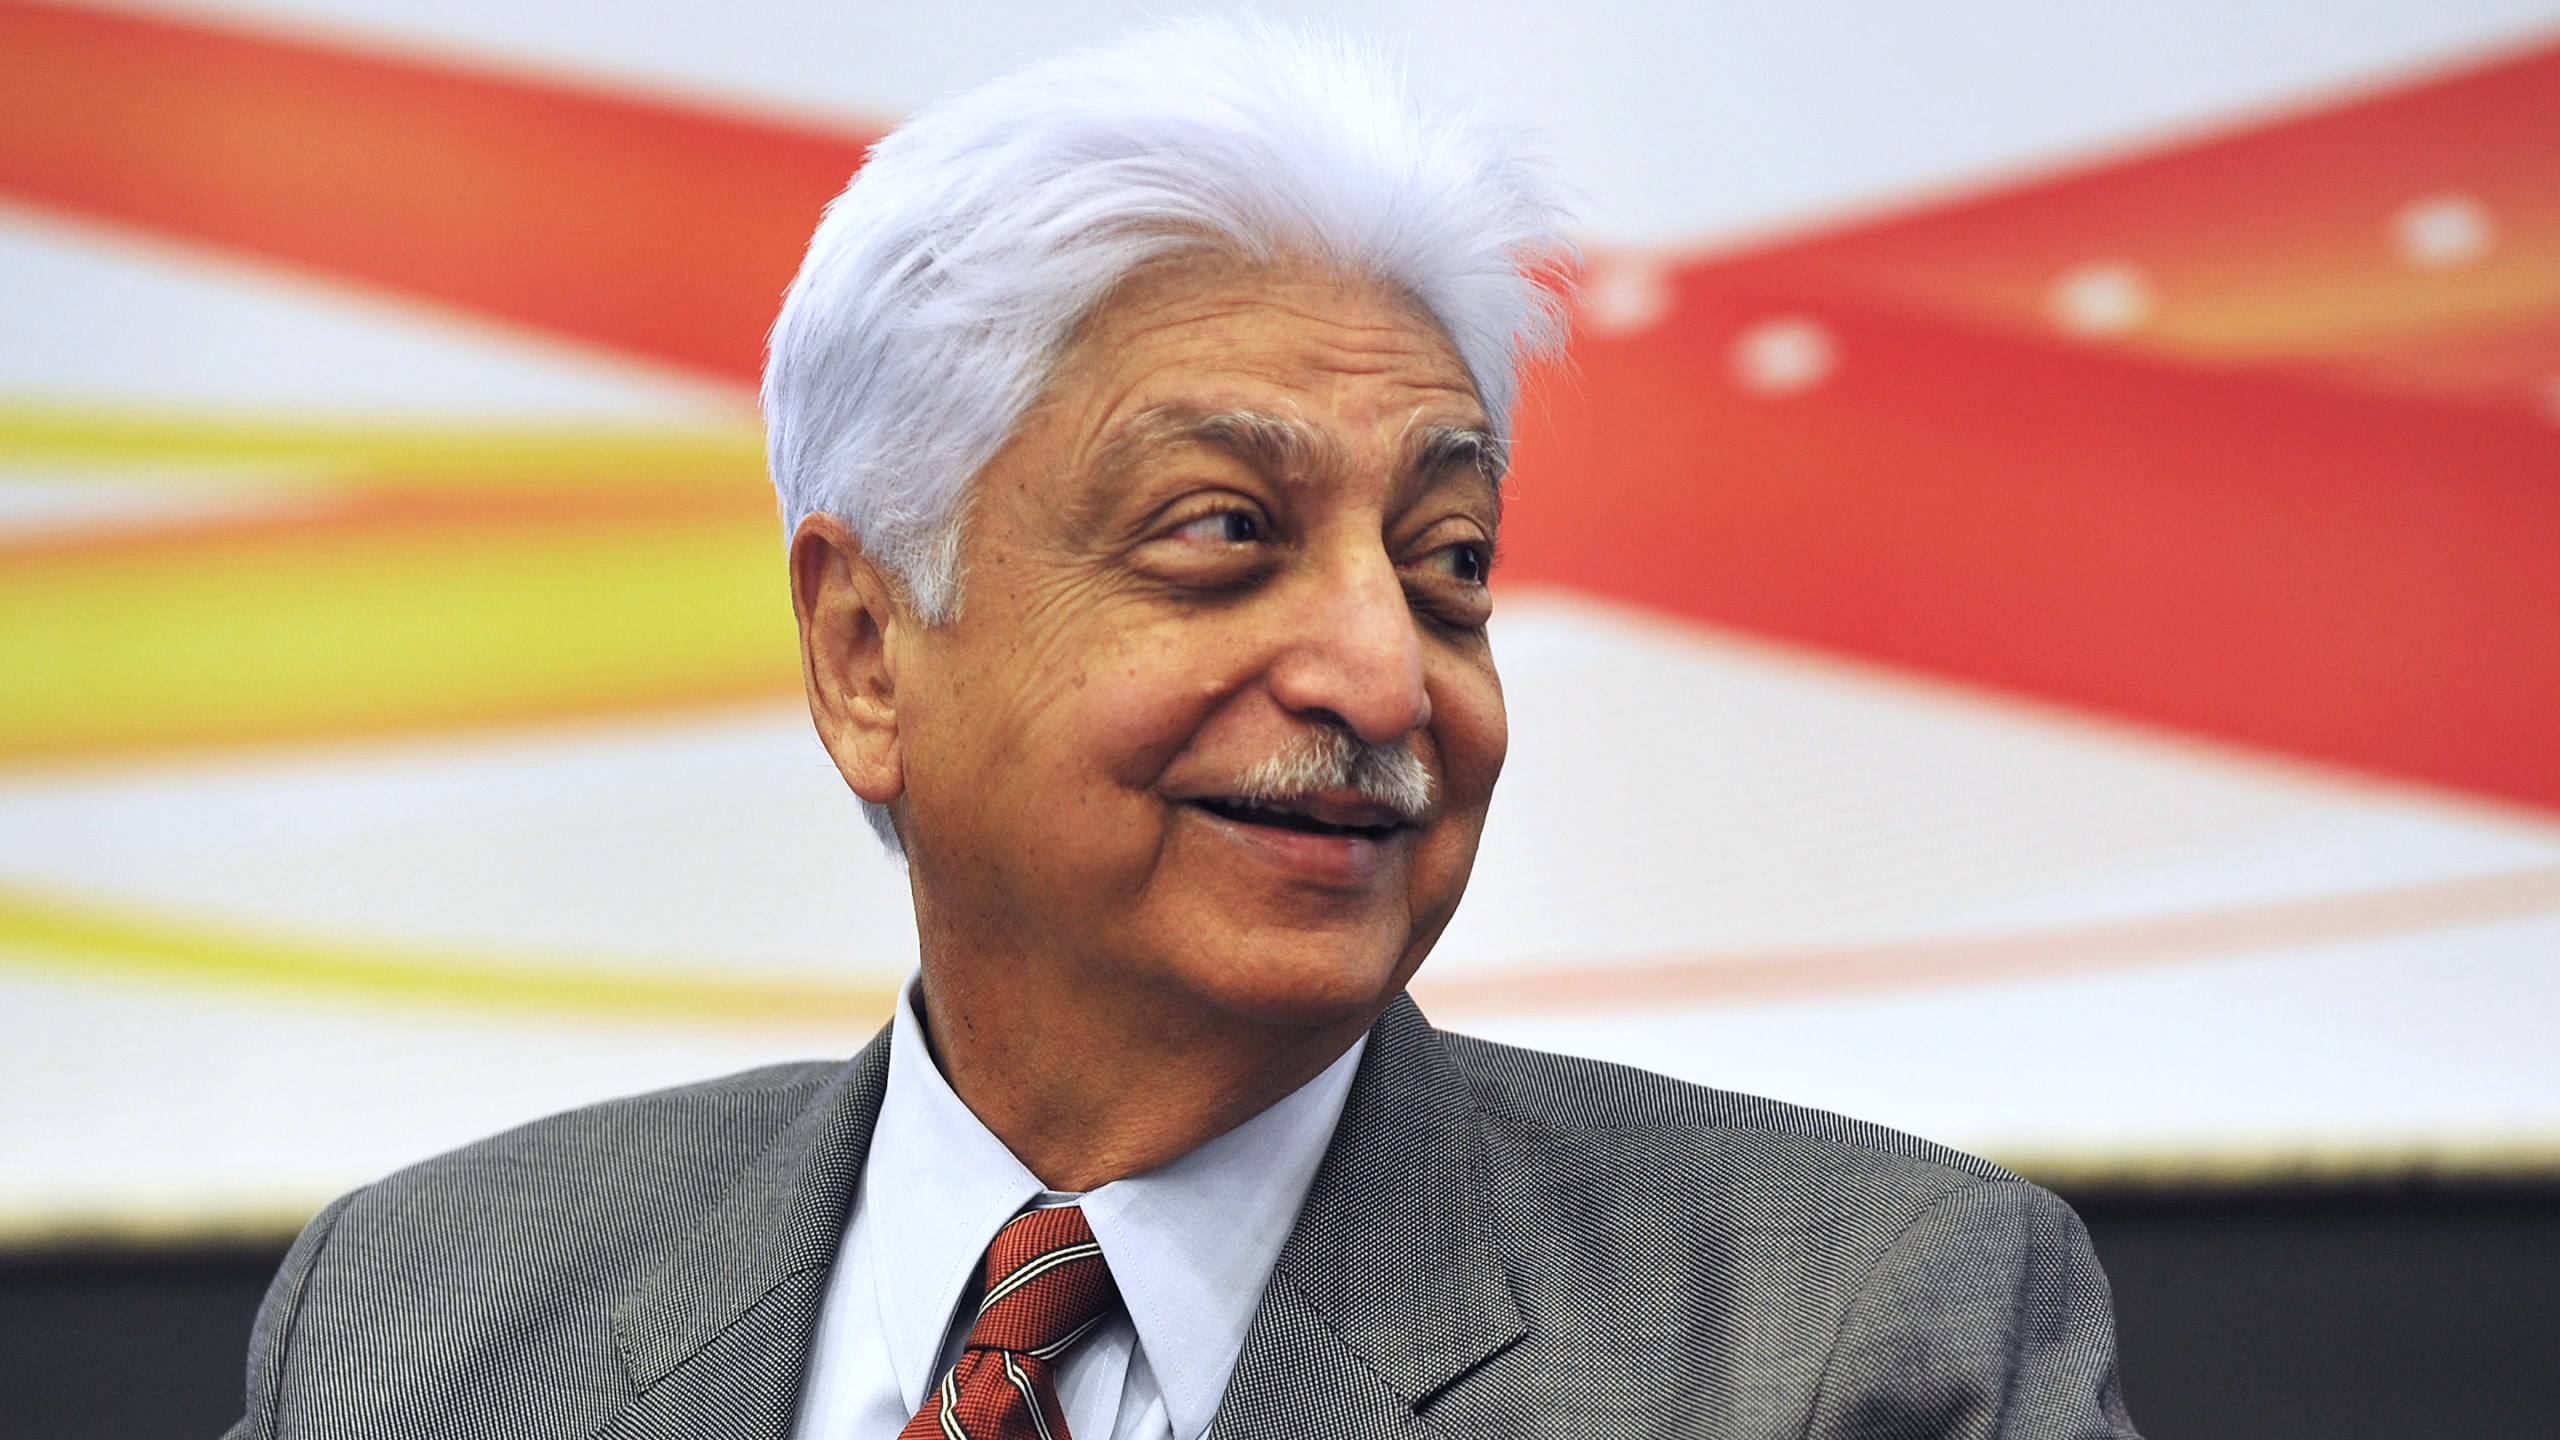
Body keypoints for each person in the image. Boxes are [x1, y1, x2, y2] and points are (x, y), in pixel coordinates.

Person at [228, 21, 2138, 1440]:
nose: (1385, 681)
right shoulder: (418, 1326)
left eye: (1447, 560)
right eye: (1225, 536)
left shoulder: (1851, 1339)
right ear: (865, 654)